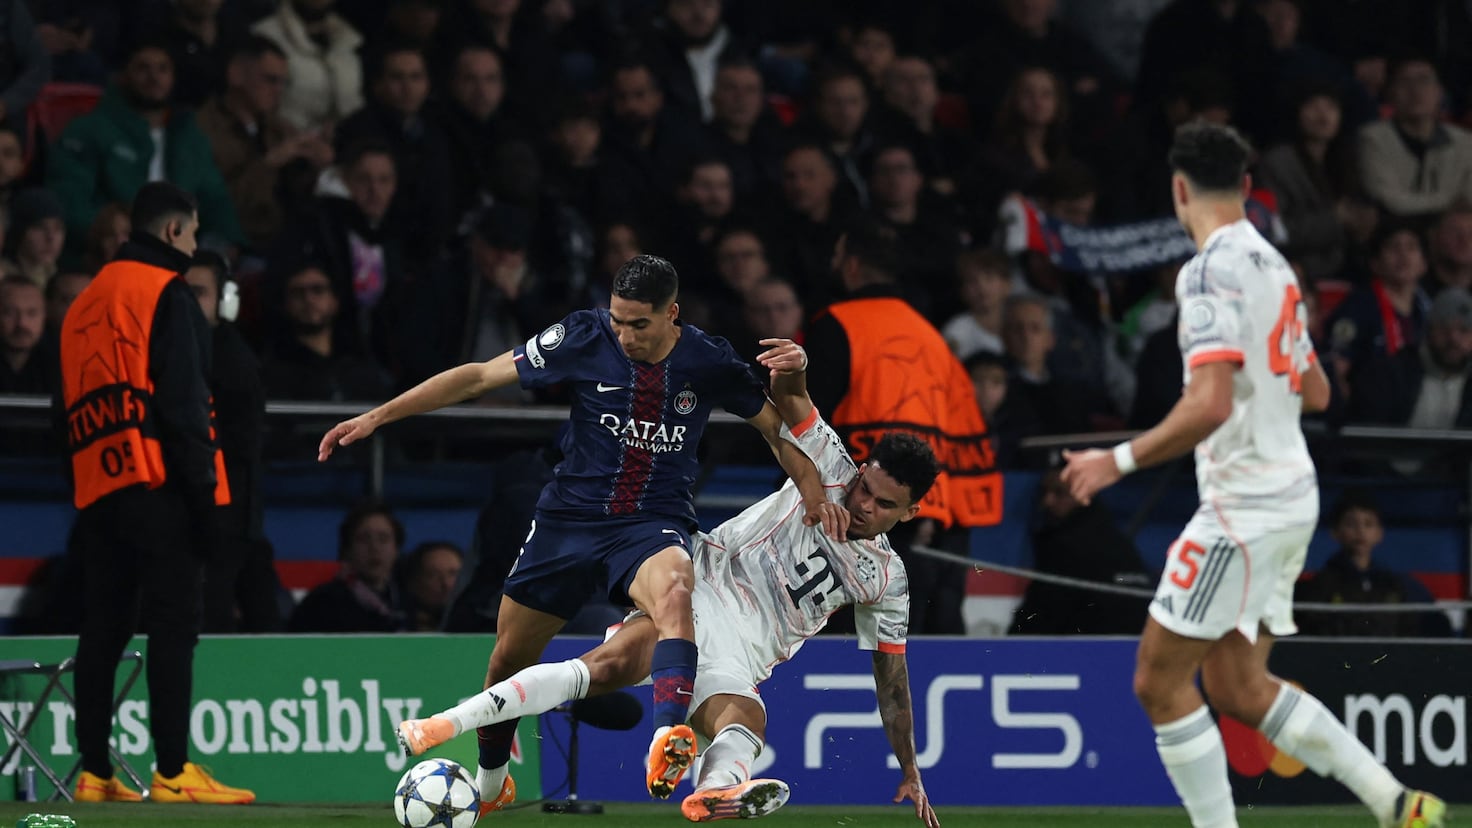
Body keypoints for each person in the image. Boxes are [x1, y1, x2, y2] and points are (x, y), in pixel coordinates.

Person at [317, 254, 839, 808]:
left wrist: (811, 487)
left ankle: (667, 735)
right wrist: (377, 416)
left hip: (650, 522)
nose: (625, 335)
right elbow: (477, 376)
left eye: (639, 324)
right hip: (568, 523)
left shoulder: (708, 360)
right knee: (506, 660)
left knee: (676, 593)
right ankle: (491, 782)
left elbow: (774, 428)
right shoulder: (584, 335)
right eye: (619, 320)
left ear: (672, 314)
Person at [1060, 122, 1444, 828]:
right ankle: (1395, 801)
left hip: (1244, 509)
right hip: (1293, 495)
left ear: (1179, 190)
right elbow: (1318, 391)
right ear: (1244, 187)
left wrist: (1111, 461)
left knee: (1157, 680)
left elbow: (1206, 402)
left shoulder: (1206, 271)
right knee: (1238, 685)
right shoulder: (1277, 266)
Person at [398, 338, 939, 827]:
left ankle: (713, 792)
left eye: (883, 504)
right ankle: (445, 723)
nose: (863, 504)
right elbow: (793, 401)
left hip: (745, 654)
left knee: (748, 720)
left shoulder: (887, 582)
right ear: (862, 468)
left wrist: (910, 769)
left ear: (911, 511)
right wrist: (797, 367)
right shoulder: (831, 467)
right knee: (603, 668)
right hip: (702, 587)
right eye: (865, 488)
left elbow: (891, 682)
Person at [59, 181, 254, 804]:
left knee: (105, 629)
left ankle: (94, 772)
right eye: (193, 235)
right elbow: (185, 408)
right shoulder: (165, 294)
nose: (193, 247)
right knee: (173, 626)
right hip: (161, 485)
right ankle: (173, 771)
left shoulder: (83, 303)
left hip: (99, 487)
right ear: (173, 232)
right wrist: (208, 504)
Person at [182, 250, 283, 633]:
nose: (188, 304)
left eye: (198, 292)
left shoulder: (233, 362)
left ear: (225, 301)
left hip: (227, 524)